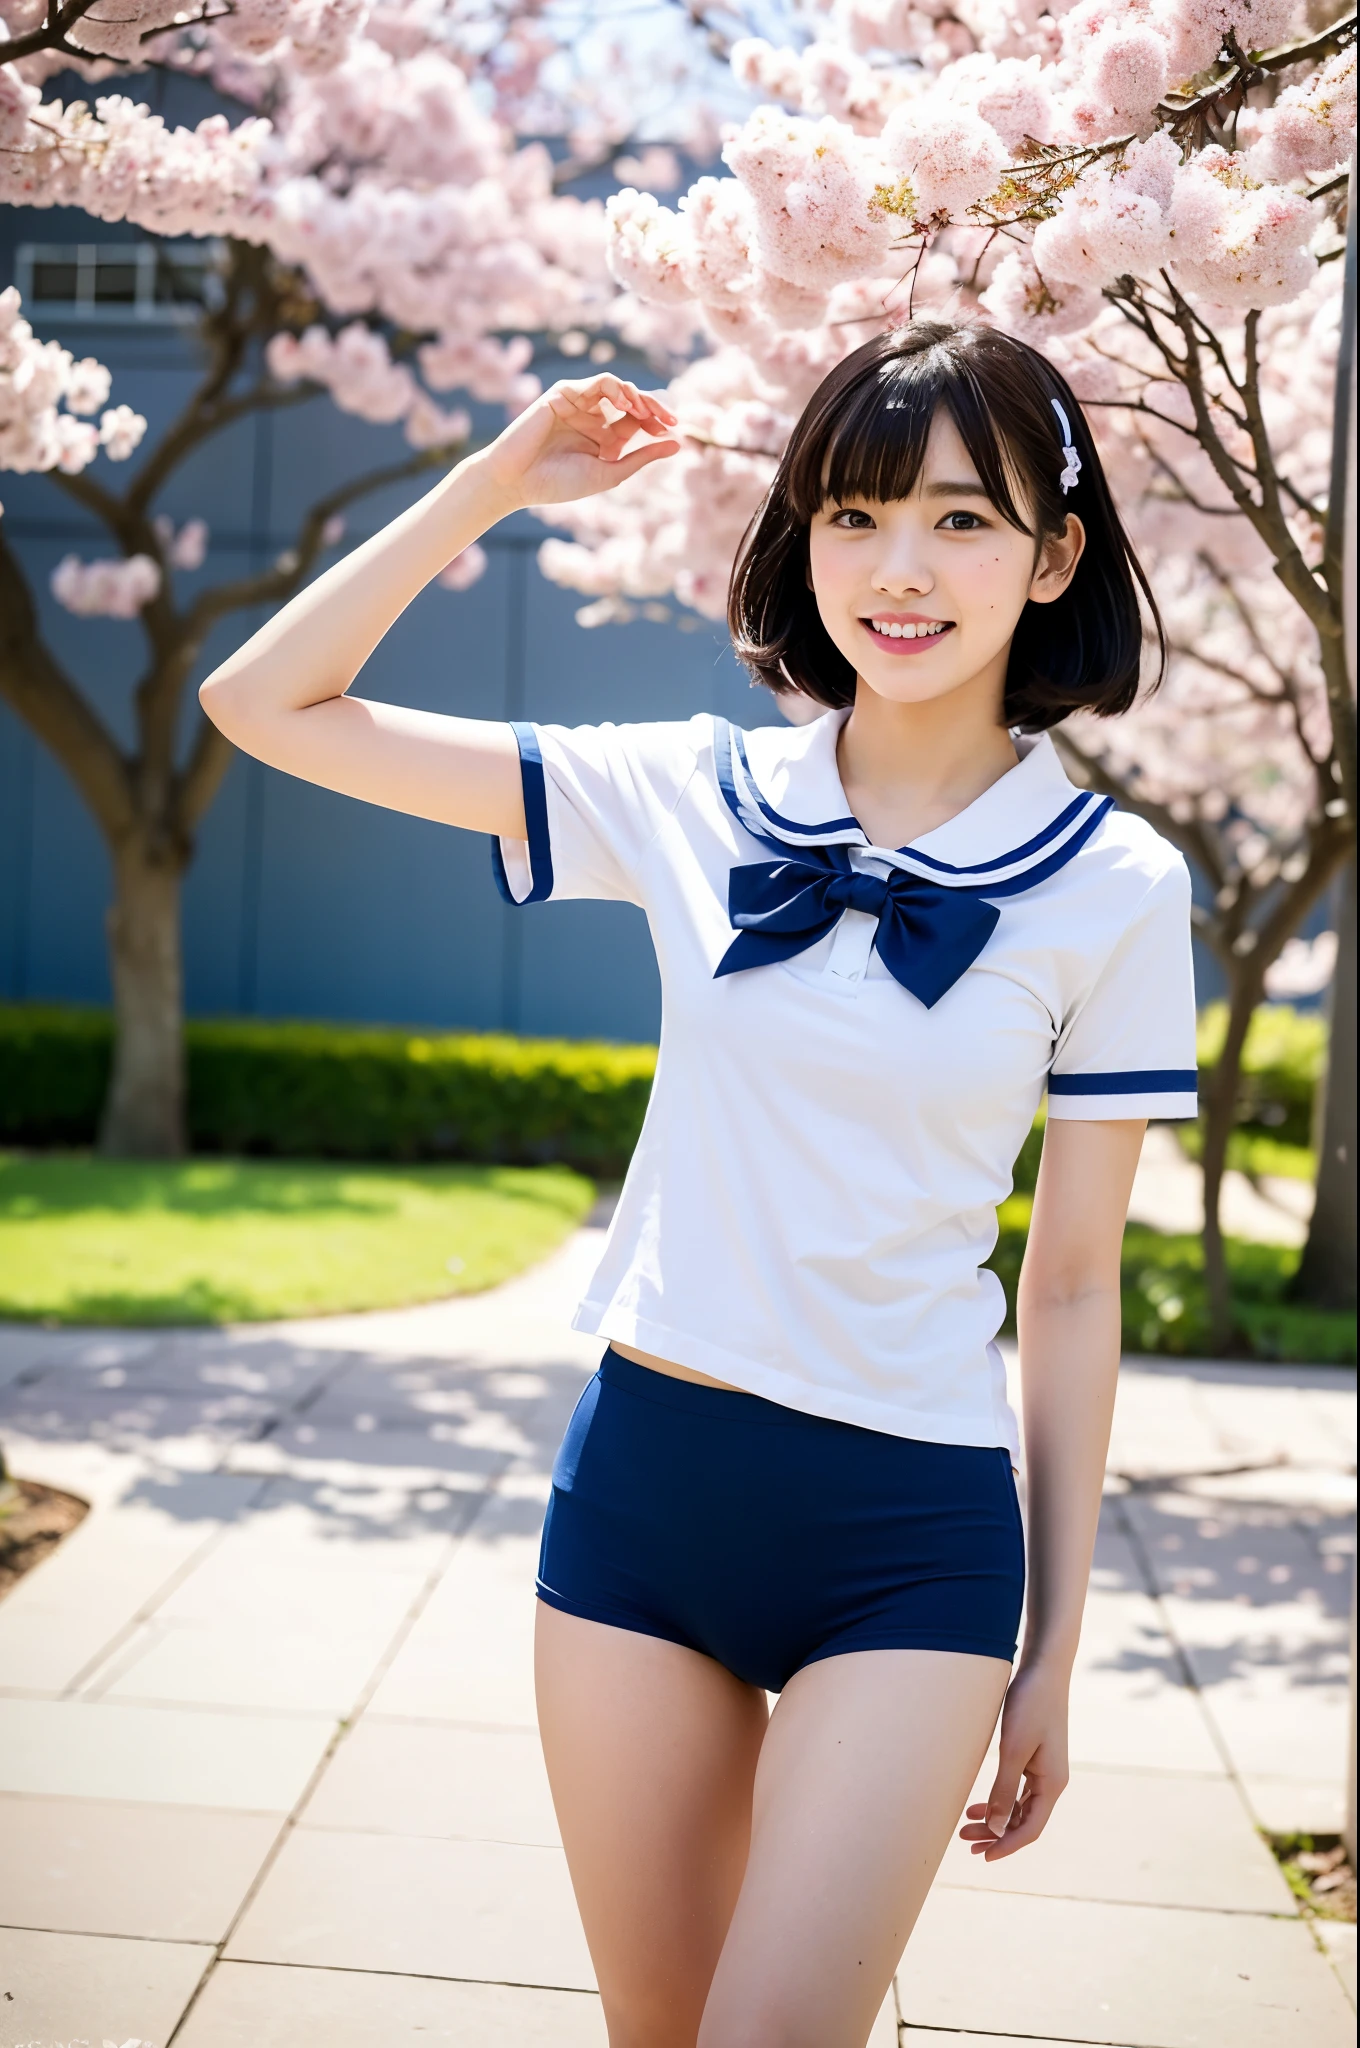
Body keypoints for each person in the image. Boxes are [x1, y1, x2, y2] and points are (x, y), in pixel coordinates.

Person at [200, 319, 1198, 2048]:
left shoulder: (1117, 884)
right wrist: (496, 484)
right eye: (855, 513)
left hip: (912, 1543)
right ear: (799, 537)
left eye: (964, 521)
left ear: (1054, 555)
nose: (900, 570)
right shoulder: (688, 789)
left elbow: (1077, 1283)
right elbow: (262, 703)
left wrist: (1055, 1648)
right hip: (645, 1500)